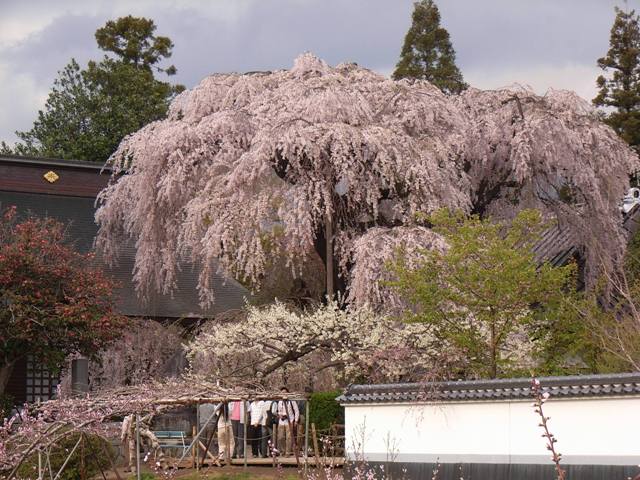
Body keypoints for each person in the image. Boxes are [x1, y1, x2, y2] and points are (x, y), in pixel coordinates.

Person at [276, 387, 299, 456]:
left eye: (285, 392)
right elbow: (279, 411)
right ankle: (283, 450)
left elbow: (296, 410)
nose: (284, 394)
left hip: (290, 420)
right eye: (282, 393)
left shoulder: (292, 401)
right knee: (280, 437)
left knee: (289, 437)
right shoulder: (280, 402)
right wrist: (280, 415)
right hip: (281, 421)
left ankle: (287, 452)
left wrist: (296, 420)